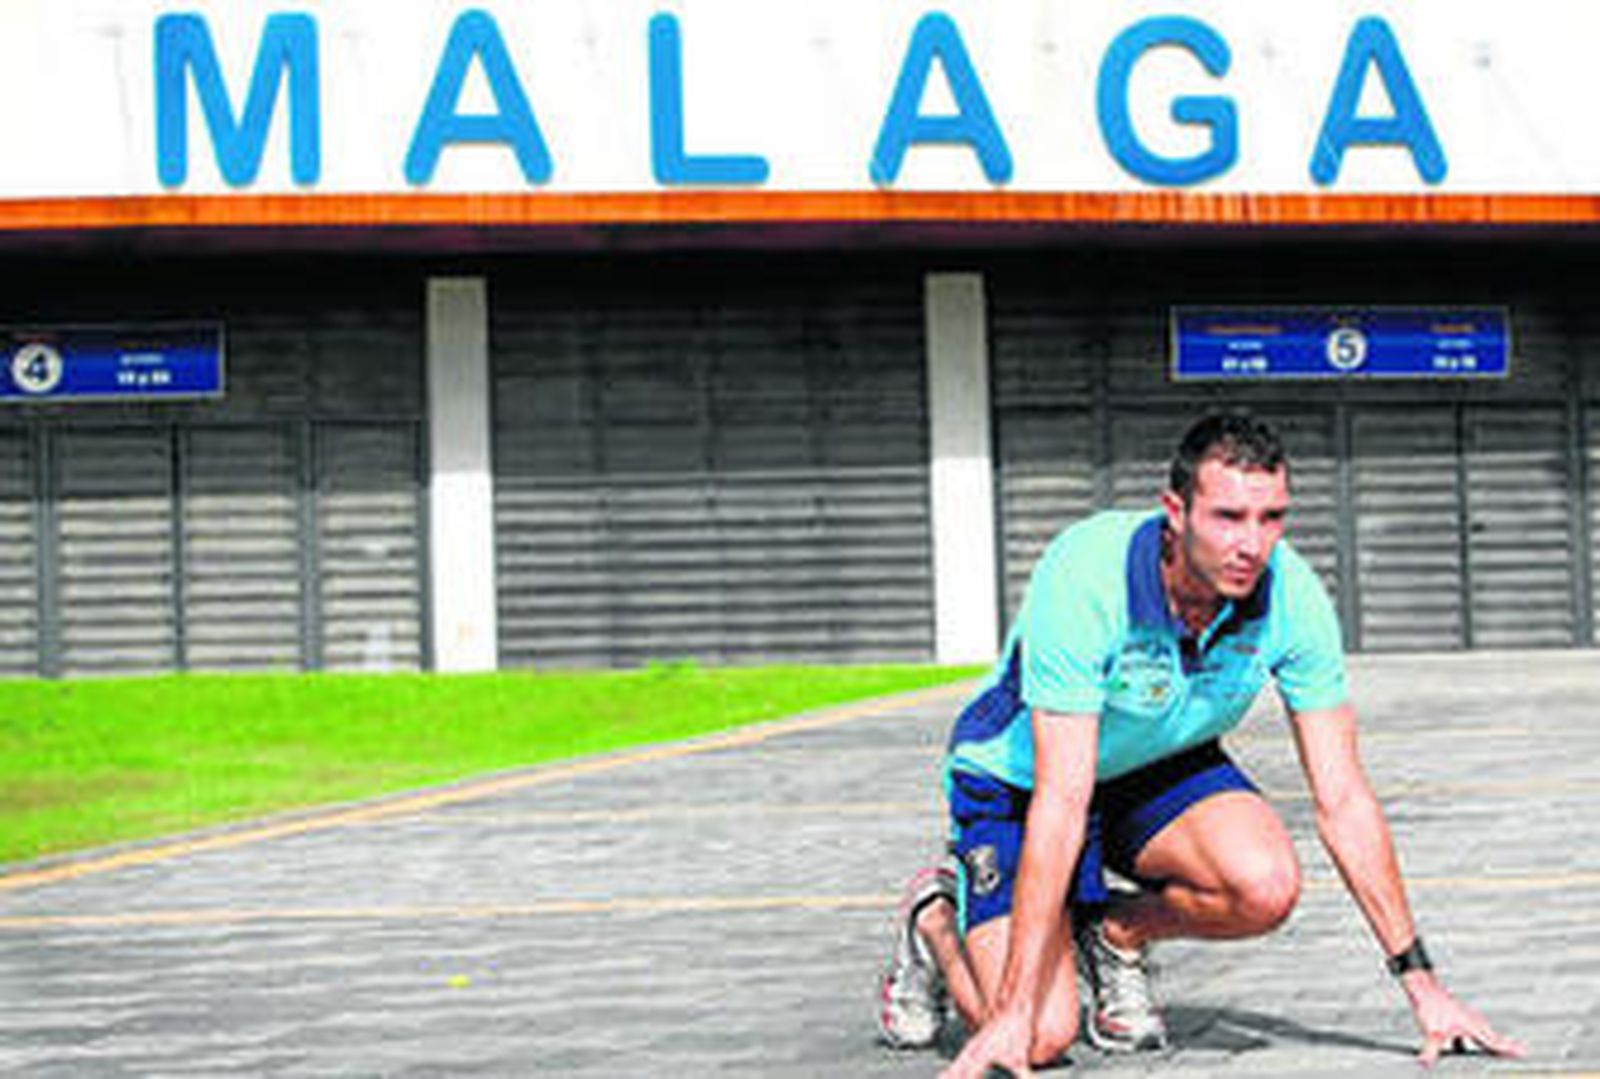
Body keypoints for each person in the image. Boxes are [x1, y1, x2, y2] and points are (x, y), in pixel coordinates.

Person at [876, 412, 1522, 1076]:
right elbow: (1062, 801)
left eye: (1272, 517)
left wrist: (1422, 985)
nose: (1253, 544)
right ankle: (937, 920)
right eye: (1228, 517)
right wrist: (1013, 1011)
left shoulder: (1292, 597)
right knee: (1038, 1037)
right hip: (1023, 783)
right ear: (1175, 513)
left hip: (1155, 764)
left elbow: (1345, 799)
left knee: (1265, 884)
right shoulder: (1086, 577)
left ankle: (1115, 932)